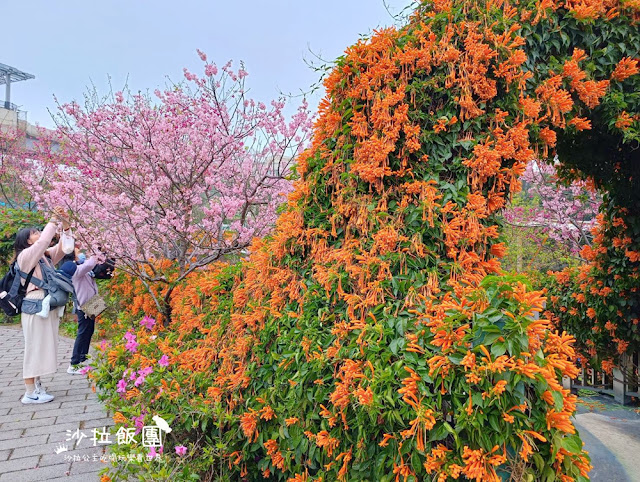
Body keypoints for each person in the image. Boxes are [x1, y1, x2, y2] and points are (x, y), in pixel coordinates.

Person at [15, 207, 73, 404]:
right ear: (27, 241)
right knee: (34, 348)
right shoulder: (25, 257)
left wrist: (65, 226)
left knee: (42, 347)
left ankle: (37, 386)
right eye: (34, 233)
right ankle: (29, 392)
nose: (38, 234)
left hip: (45, 306)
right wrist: (53, 219)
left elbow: (65, 249)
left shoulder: (43, 258)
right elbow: (44, 243)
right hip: (34, 306)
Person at [66, 250, 103, 374]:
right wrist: (96, 252)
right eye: (77, 253)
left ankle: (83, 359)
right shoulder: (75, 270)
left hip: (92, 303)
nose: (80, 253)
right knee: (82, 332)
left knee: (89, 330)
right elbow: (89, 264)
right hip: (84, 306)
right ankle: (74, 363)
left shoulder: (83, 269)